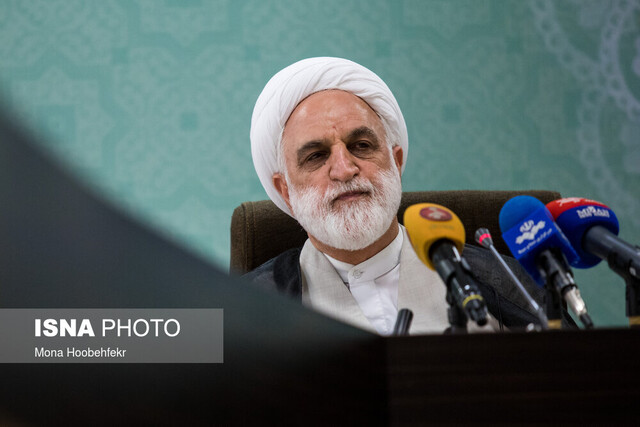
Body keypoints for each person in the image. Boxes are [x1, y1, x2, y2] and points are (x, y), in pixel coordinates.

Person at [245, 57, 560, 335]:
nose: (344, 169)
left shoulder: (501, 279)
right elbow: (209, 370)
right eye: (316, 156)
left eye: (361, 146)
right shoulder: (241, 304)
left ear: (396, 162)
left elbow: (574, 371)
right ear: (286, 191)